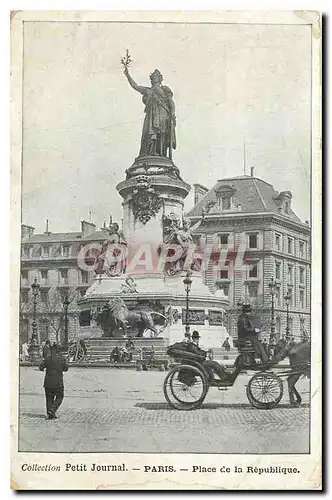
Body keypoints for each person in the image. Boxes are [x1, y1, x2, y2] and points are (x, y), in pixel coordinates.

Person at [124, 67, 176, 157]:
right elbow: (135, 86)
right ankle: (150, 152)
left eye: (156, 77)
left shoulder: (165, 89)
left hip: (163, 114)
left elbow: (171, 102)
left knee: (162, 133)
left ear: (160, 79)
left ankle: (161, 154)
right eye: (152, 77)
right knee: (149, 132)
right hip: (151, 116)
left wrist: (173, 114)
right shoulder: (147, 90)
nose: (153, 79)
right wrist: (127, 75)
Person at [39, 343, 68, 420]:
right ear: (58, 350)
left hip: (48, 382)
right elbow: (66, 368)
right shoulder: (61, 358)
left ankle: (50, 414)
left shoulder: (47, 358)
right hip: (58, 382)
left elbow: (41, 367)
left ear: (51, 350)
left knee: (49, 398)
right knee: (60, 397)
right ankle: (52, 410)